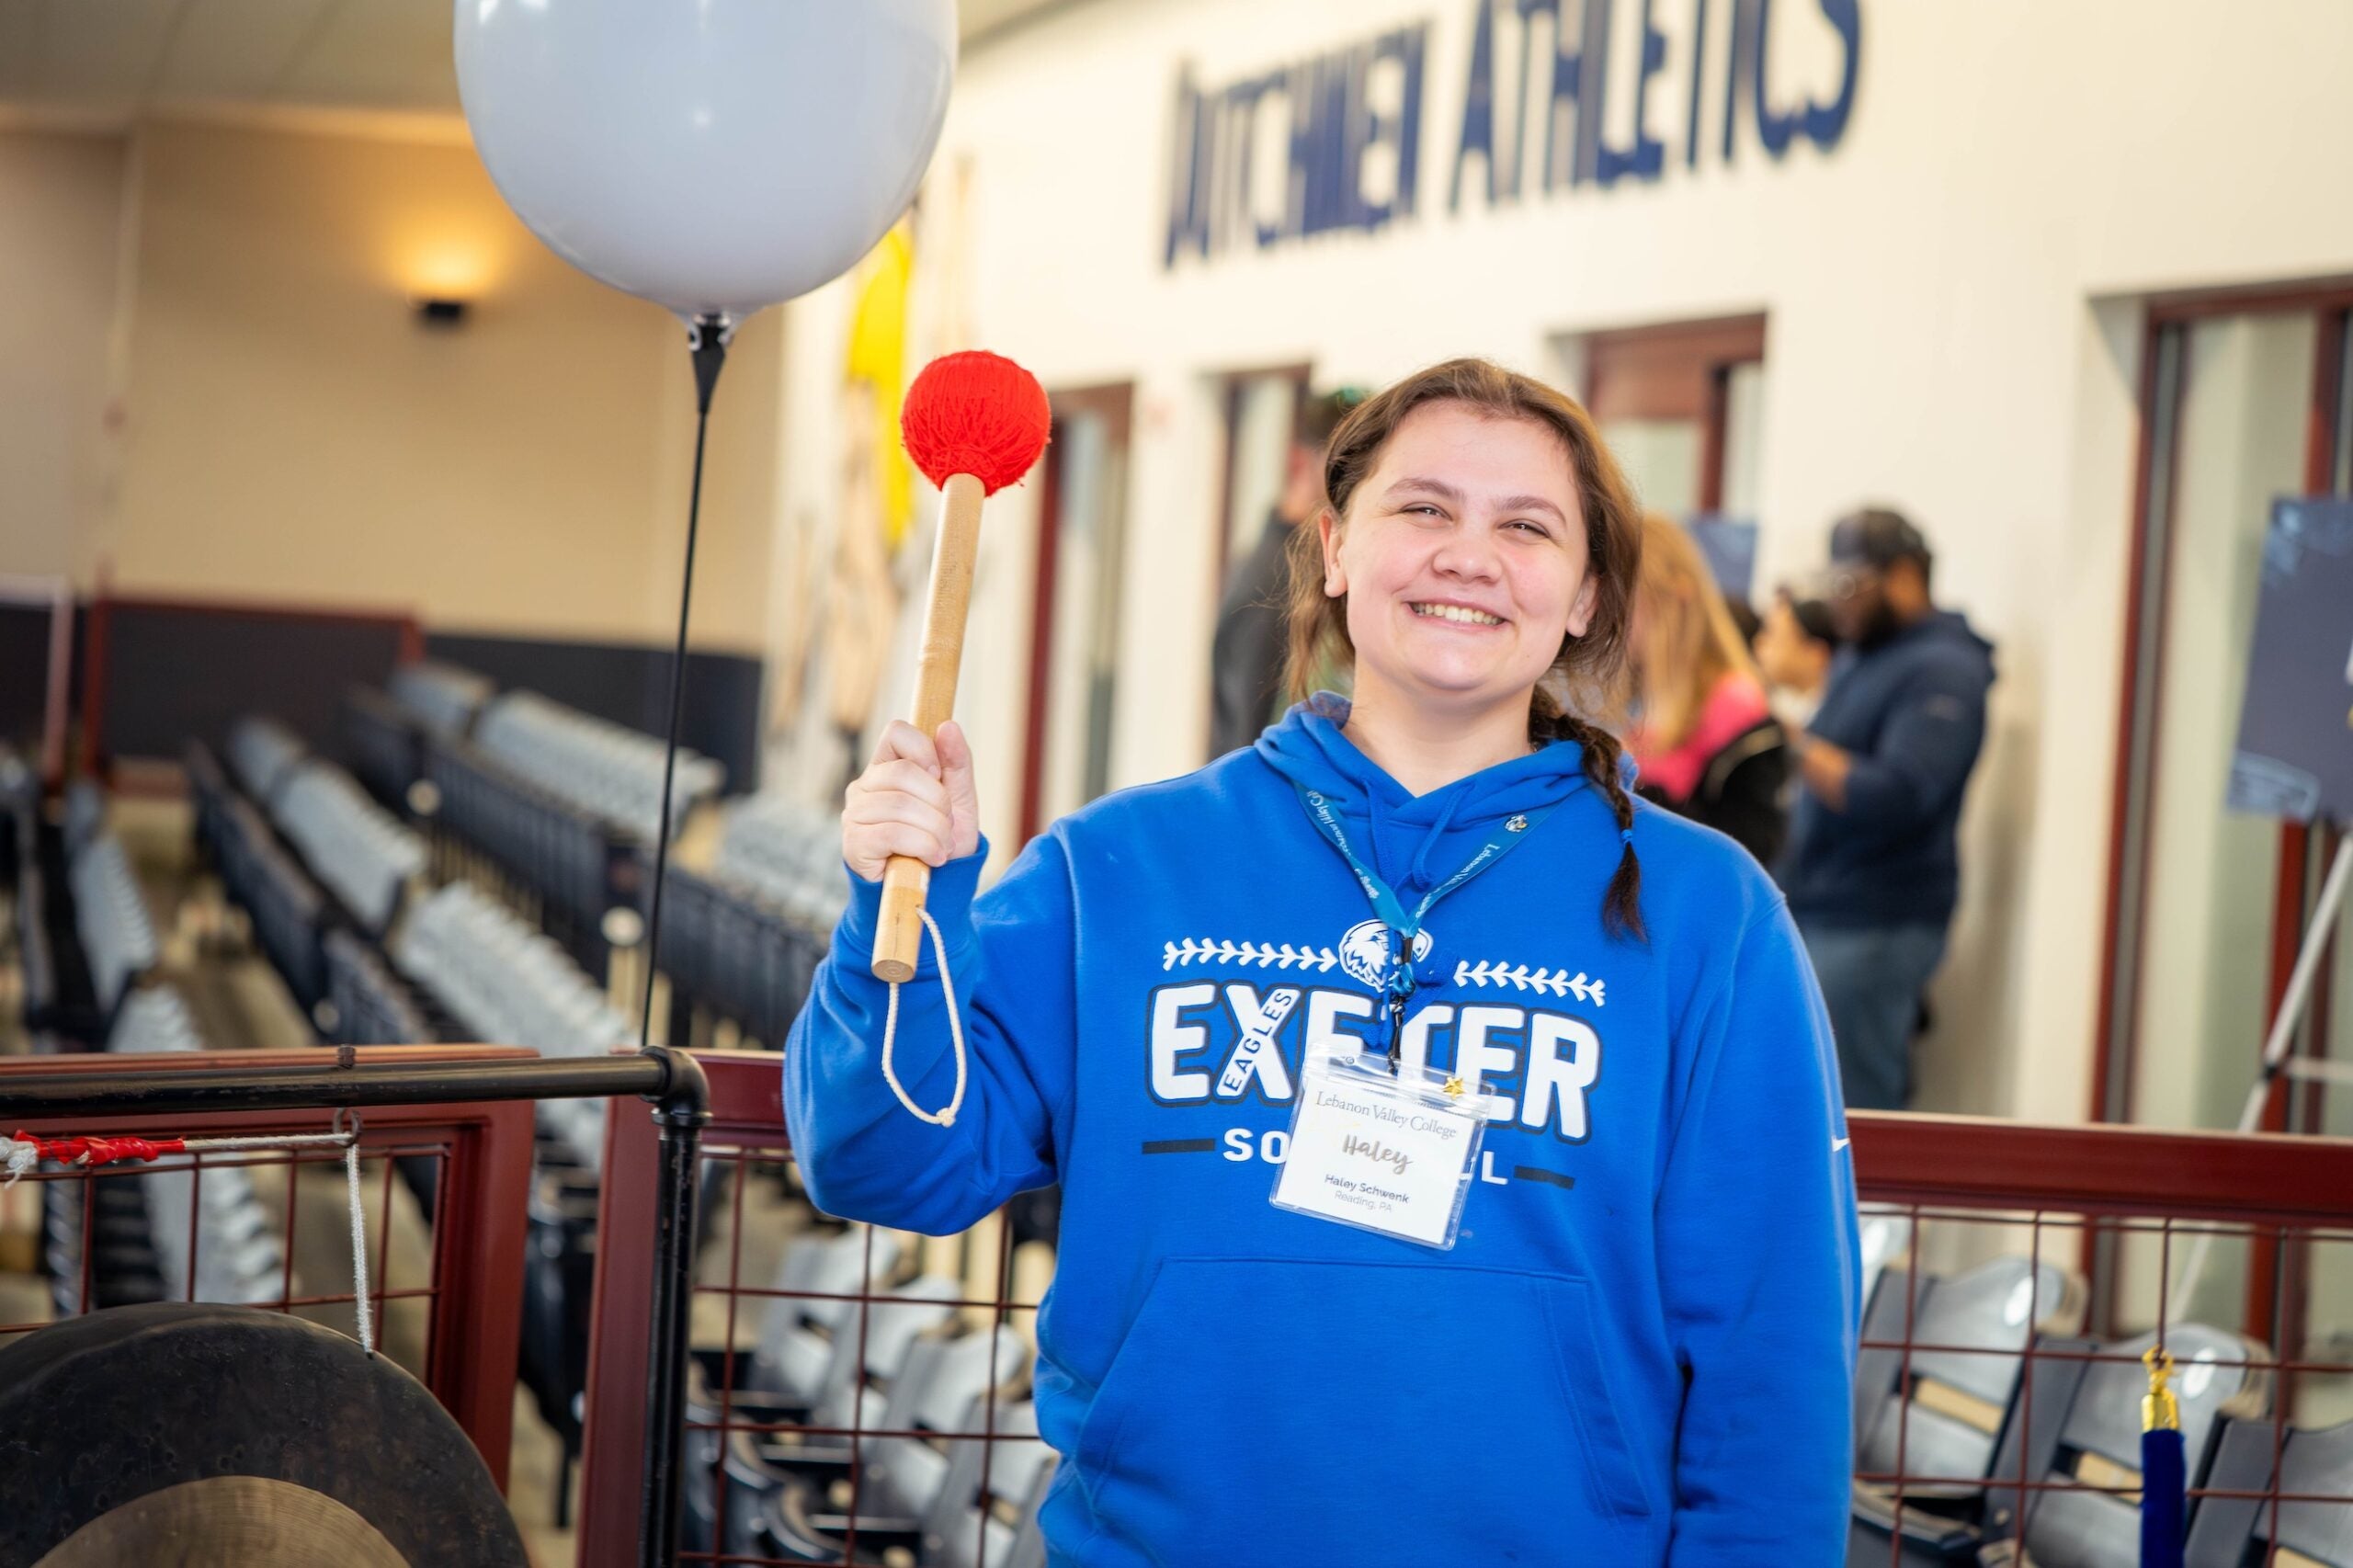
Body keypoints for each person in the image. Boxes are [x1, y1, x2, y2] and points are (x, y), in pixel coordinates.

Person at [788, 359, 1857, 1566]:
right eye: (1425, 508)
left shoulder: (1710, 916)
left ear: (1584, 596)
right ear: (1336, 547)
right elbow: (884, 1161)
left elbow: (1772, 1362)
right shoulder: (1124, 868)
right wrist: (908, 901)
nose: (1468, 553)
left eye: (1526, 526)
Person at [1778, 507, 1995, 1113]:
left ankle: (1873, 1214)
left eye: (1853, 587)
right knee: (1815, 1093)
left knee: (1857, 1106)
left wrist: (1789, 741)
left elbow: (1897, 795)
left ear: (1903, 576)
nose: (1839, 604)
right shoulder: (1865, 655)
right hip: (1827, 909)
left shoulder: (1944, 669)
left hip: (1876, 922)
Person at [1627, 513, 1790, 864]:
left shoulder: (1735, 704)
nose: (1605, 614)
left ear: (1672, 596)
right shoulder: (1634, 695)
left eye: (1625, 596)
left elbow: (1748, 852)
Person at [1208, 387, 1362, 756]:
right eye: (1343, 470)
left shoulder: (1297, 565)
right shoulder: (1277, 580)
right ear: (1298, 464)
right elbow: (1254, 738)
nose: (1353, 489)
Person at [1755, 586, 1838, 729]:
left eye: (1772, 636)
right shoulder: (1776, 705)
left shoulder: (1834, 718)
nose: (1759, 643)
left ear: (1816, 654)